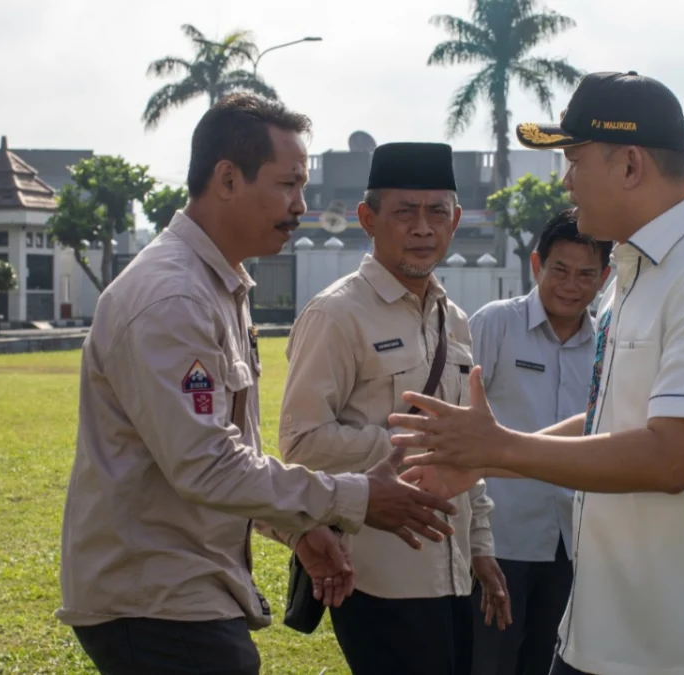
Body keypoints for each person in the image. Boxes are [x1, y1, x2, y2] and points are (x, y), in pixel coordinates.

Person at [391, 71, 684, 675]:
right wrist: (486, 461)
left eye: (574, 159)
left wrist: (504, 446)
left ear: (631, 165)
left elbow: (671, 457)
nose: (567, 180)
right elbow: (609, 418)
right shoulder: (638, 273)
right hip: (606, 629)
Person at [56, 95, 461, 675]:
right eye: (289, 184)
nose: (301, 204)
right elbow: (206, 465)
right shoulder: (174, 298)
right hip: (156, 598)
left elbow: (222, 456)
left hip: (182, 589)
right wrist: (358, 498)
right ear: (227, 178)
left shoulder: (215, 288)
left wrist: (296, 529)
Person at [279, 141, 508, 675]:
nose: (423, 228)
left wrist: (481, 546)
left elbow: (465, 451)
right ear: (368, 218)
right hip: (380, 576)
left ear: (454, 222)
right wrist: (414, 448)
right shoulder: (337, 315)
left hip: (454, 576)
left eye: (438, 212)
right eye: (405, 211)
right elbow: (301, 442)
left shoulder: (454, 319)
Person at [467, 209, 611, 675]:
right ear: (536, 265)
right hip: (501, 538)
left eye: (587, 274)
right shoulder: (495, 325)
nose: (572, 285)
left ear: (605, 277)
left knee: (553, 661)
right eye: (560, 270)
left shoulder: (609, 345)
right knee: (491, 661)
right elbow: (459, 420)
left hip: (573, 543)